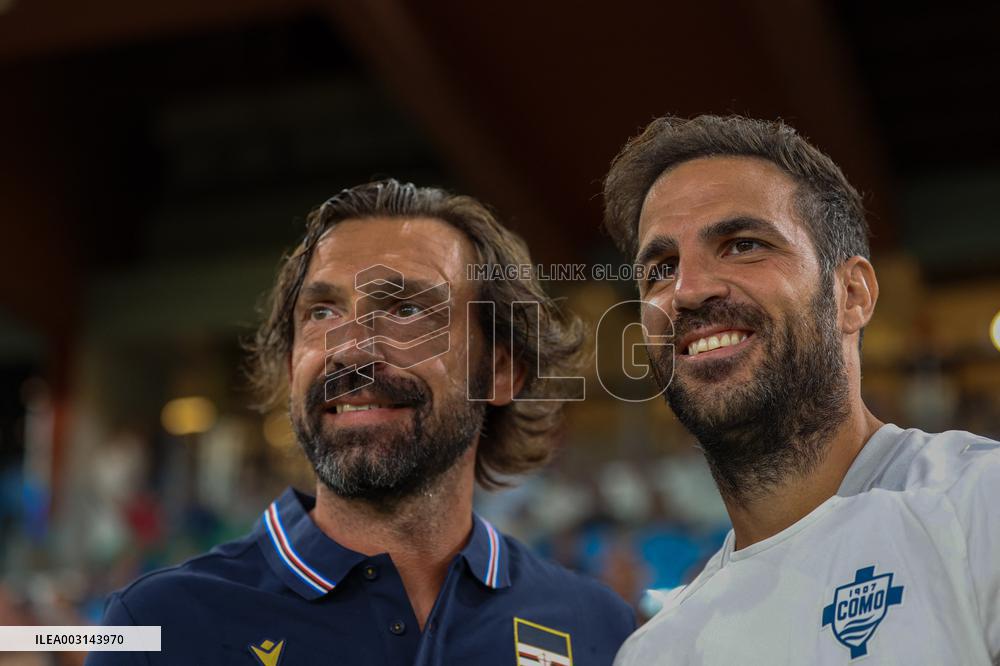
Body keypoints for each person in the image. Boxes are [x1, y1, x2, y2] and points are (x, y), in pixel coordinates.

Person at [87, 180, 634, 665]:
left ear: (500, 371)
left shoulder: (599, 630)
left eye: (405, 311)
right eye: (322, 313)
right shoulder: (154, 627)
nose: (351, 349)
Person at [602, 115, 1000, 664]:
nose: (687, 291)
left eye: (743, 245)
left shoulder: (981, 506)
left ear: (853, 294)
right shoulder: (654, 653)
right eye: (661, 269)